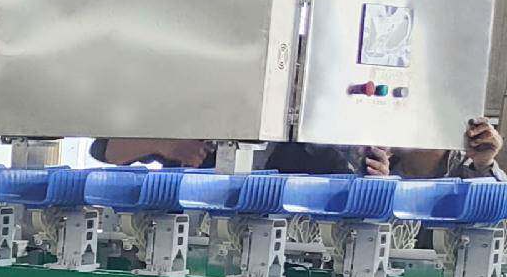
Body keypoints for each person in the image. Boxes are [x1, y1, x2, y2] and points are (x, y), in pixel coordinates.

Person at [89, 119, 502, 177]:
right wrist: (168, 143)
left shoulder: (361, 154)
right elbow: (105, 149)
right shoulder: (205, 110)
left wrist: (484, 163)